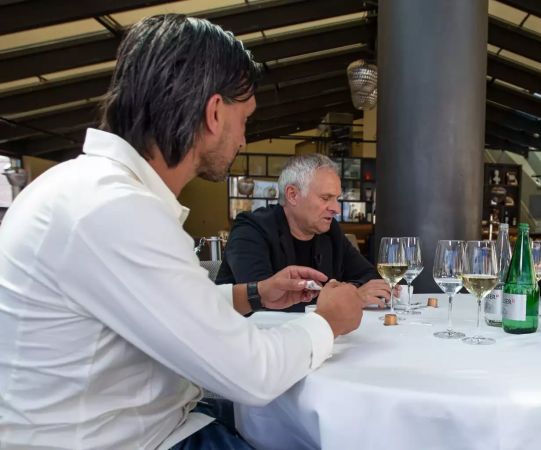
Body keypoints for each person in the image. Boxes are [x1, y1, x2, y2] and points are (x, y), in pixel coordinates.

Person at [0, 14, 365, 449]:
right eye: (244, 121)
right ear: (214, 113)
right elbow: (250, 374)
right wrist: (328, 323)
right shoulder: (114, 209)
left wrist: (252, 294)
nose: (243, 140)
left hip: (160, 422)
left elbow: (155, 301)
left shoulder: (90, 190)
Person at [216, 153, 390, 310]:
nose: (336, 208)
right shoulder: (251, 229)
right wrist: (352, 297)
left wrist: (348, 292)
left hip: (314, 336)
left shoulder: (329, 231)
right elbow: (264, 300)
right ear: (292, 195)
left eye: (337, 199)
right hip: (249, 339)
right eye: (325, 198)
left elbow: (370, 277)